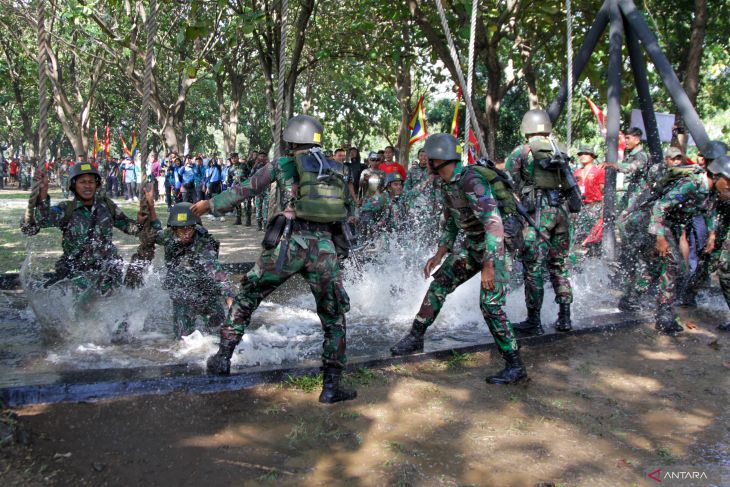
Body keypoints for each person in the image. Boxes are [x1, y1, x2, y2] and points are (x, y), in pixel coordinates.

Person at [191, 115, 356, 404]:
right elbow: (350, 210)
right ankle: (331, 386)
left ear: (291, 140)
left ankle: (222, 359)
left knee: (247, 297)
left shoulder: (282, 164)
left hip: (286, 246)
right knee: (333, 317)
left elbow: (246, 189)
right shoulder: (334, 169)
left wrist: (210, 204)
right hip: (325, 249)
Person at [389, 134, 525, 384]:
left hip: (496, 247)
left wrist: (488, 264)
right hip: (473, 244)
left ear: (438, 160)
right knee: (440, 283)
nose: (425, 162)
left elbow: (494, 224)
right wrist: (440, 254)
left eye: (428, 159)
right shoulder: (444, 183)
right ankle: (415, 336)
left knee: (490, 305)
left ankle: (515, 366)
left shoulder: (471, 181)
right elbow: (452, 221)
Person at [22, 162, 148, 325]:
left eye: (91, 182)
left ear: (97, 184)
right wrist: (43, 193)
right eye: (82, 182)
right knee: (82, 314)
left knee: (111, 312)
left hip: (107, 270)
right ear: (74, 185)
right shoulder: (66, 209)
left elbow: (127, 226)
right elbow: (41, 220)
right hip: (78, 272)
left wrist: (139, 223)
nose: (87, 186)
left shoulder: (107, 206)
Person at [617, 149, 711, 334]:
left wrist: (712, 235)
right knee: (671, 265)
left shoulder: (710, 188)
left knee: (656, 267)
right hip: (649, 223)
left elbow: (694, 216)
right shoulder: (692, 183)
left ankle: (630, 298)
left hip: (664, 225)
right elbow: (660, 207)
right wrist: (660, 237)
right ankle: (664, 316)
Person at [505, 109, 575, 335]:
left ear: (526, 127)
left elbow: (507, 182)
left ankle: (534, 321)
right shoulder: (559, 149)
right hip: (561, 213)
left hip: (539, 214)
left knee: (533, 266)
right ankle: (565, 317)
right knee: (559, 265)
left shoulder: (522, 151)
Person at [144, 201, 234, 338]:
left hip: (206, 292)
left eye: (189, 229)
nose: (186, 234)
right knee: (183, 339)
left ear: (194, 226)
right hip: (182, 294)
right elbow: (154, 232)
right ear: (174, 229)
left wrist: (229, 296)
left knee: (220, 334)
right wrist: (150, 207)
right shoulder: (168, 236)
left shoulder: (202, 242)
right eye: (181, 230)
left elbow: (216, 271)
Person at [704, 155, 730, 331]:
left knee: (725, 270)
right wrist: (712, 234)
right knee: (721, 268)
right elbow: (713, 210)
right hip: (724, 230)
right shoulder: (717, 190)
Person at [604, 127, 650, 212]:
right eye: (625, 138)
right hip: (628, 191)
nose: (626, 141)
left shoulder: (641, 155)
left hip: (638, 193)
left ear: (636, 140)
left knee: (628, 218)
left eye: (628, 138)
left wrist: (615, 165)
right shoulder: (629, 153)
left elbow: (633, 167)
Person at [572, 144, 605, 251]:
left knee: (595, 235)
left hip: (595, 206)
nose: (583, 156)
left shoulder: (599, 171)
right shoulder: (576, 172)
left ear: (592, 156)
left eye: (586, 154)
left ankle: (595, 256)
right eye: (581, 154)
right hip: (580, 206)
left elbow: (603, 190)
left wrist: (604, 208)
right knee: (579, 233)